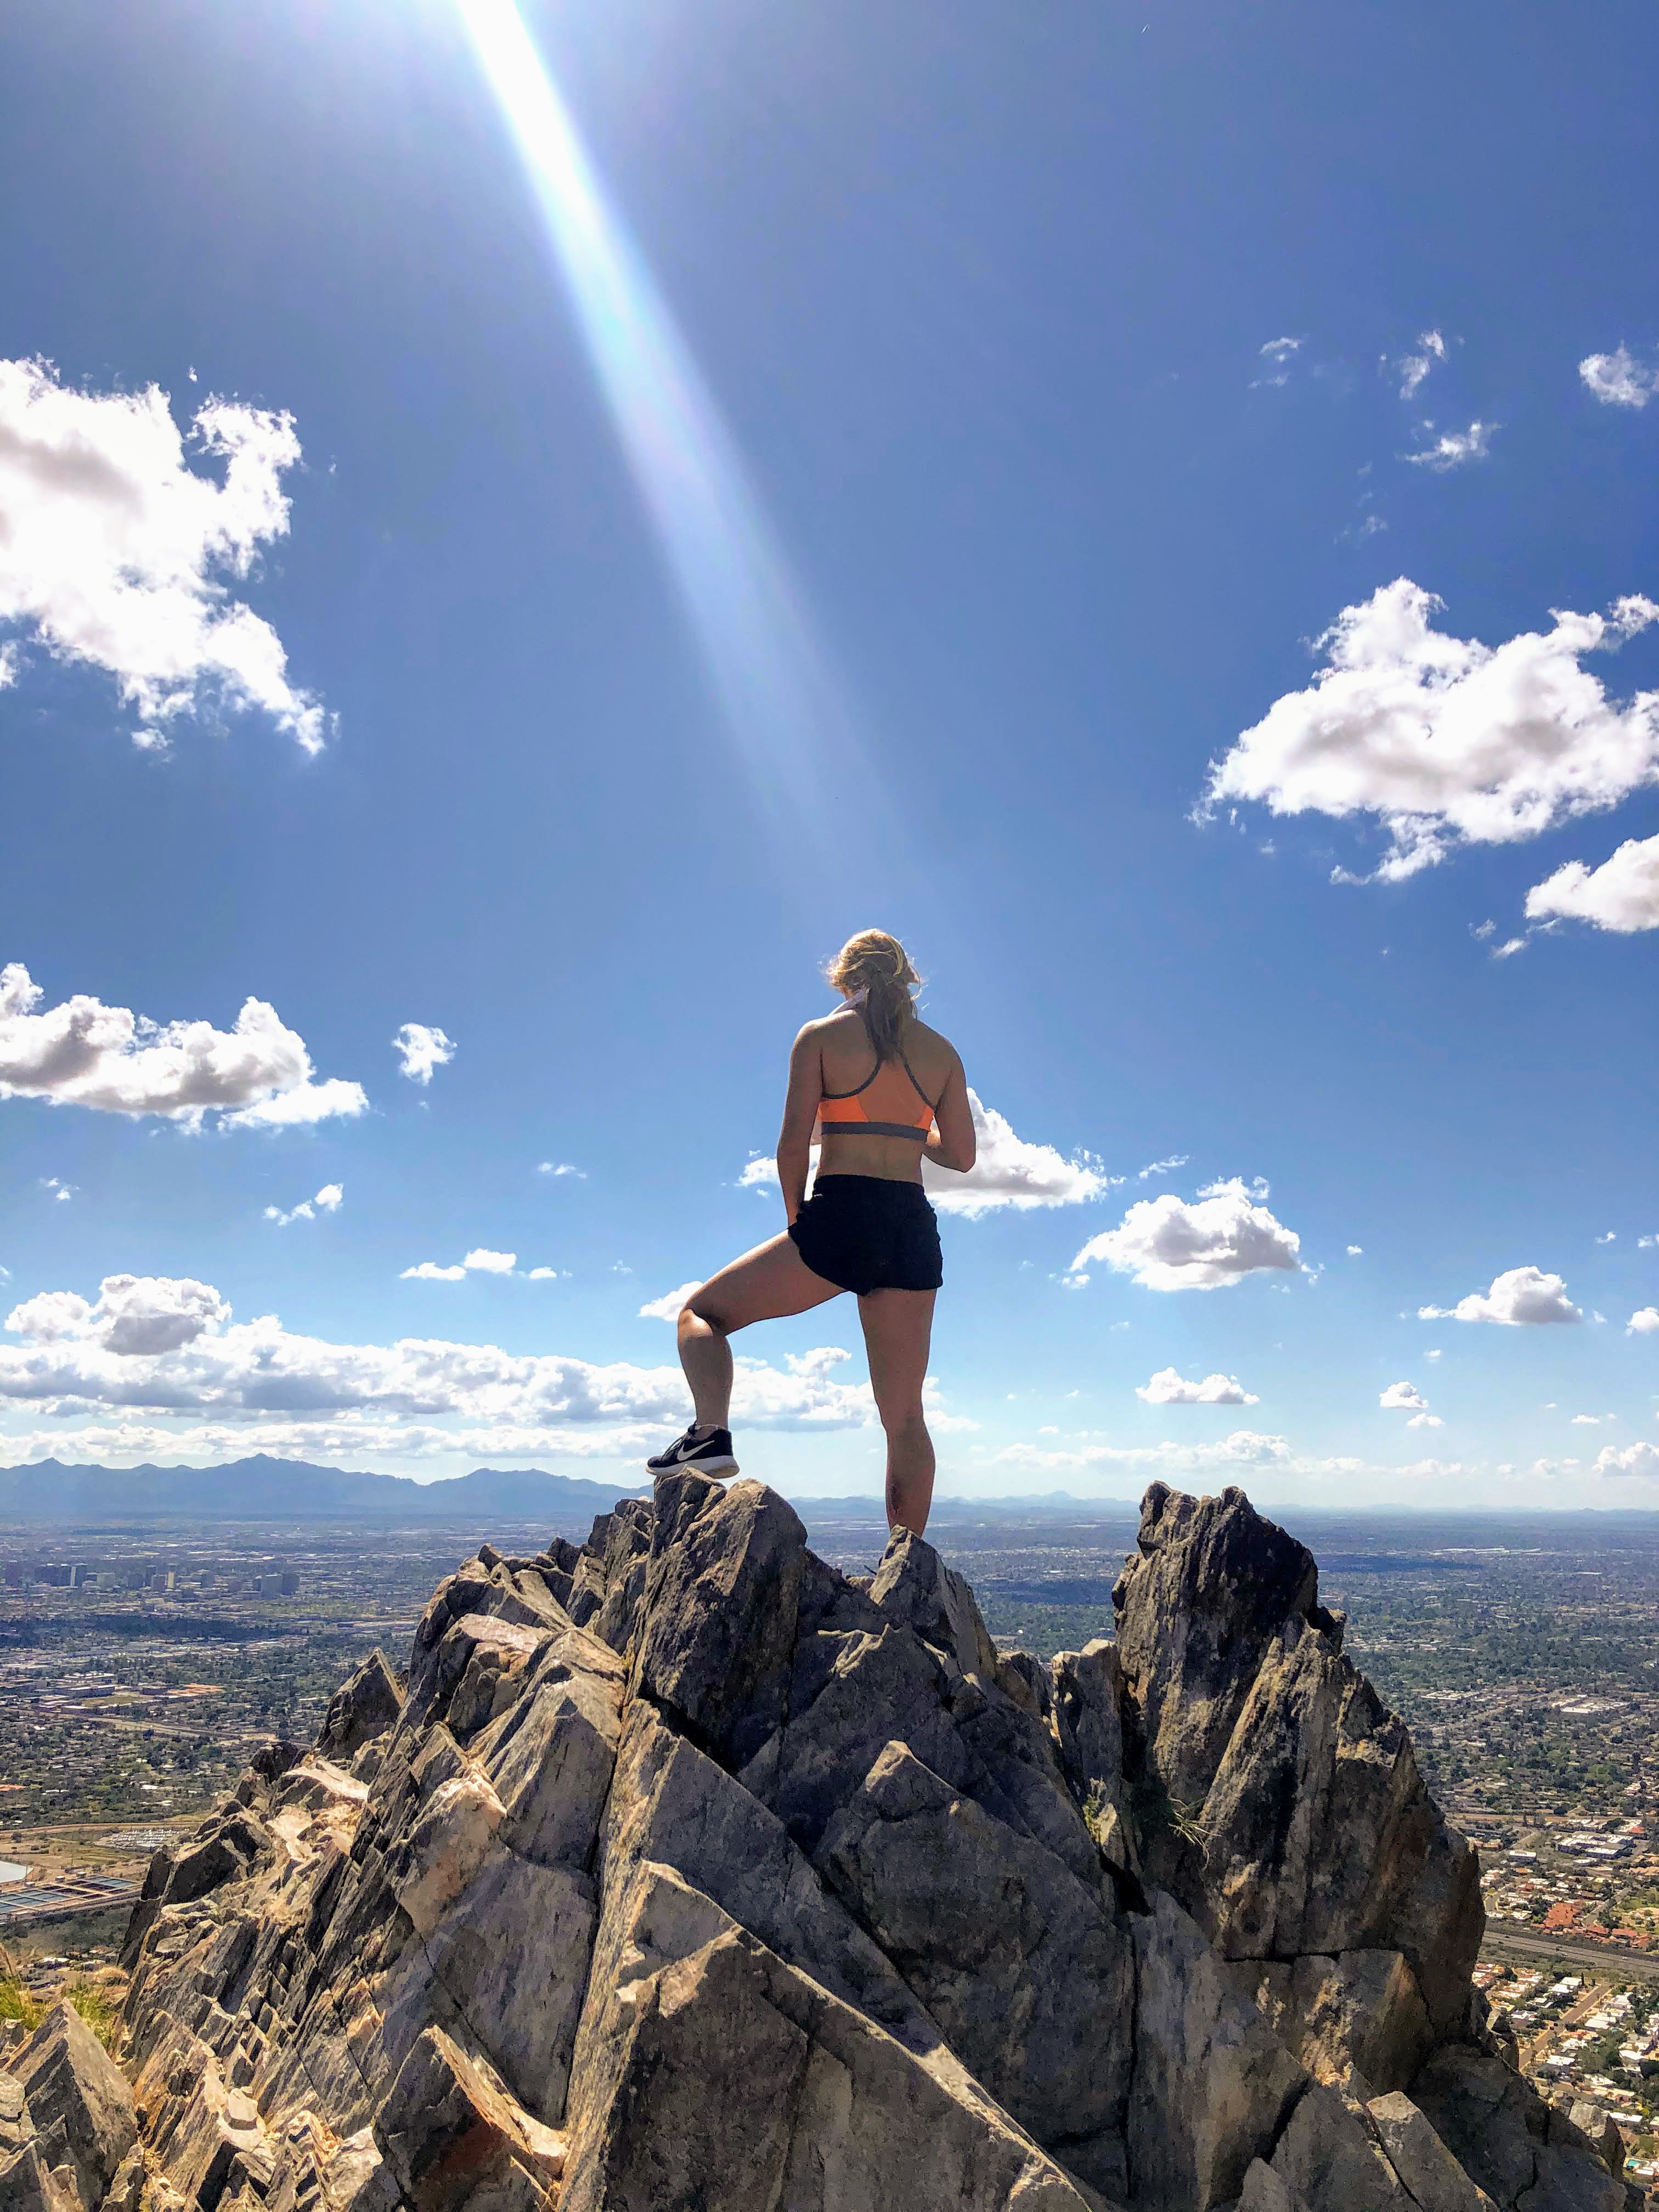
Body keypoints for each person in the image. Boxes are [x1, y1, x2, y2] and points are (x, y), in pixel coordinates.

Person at [646, 929, 976, 1536]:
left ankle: (709, 1435)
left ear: (845, 980)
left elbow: (792, 1142)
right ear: (908, 981)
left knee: (702, 1315)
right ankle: (906, 1567)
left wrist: (799, 1219)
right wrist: (907, 1128)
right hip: (910, 1224)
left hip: (842, 1211)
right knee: (904, 1418)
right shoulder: (942, 1053)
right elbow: (961, 1156)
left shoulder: (821, 1038)